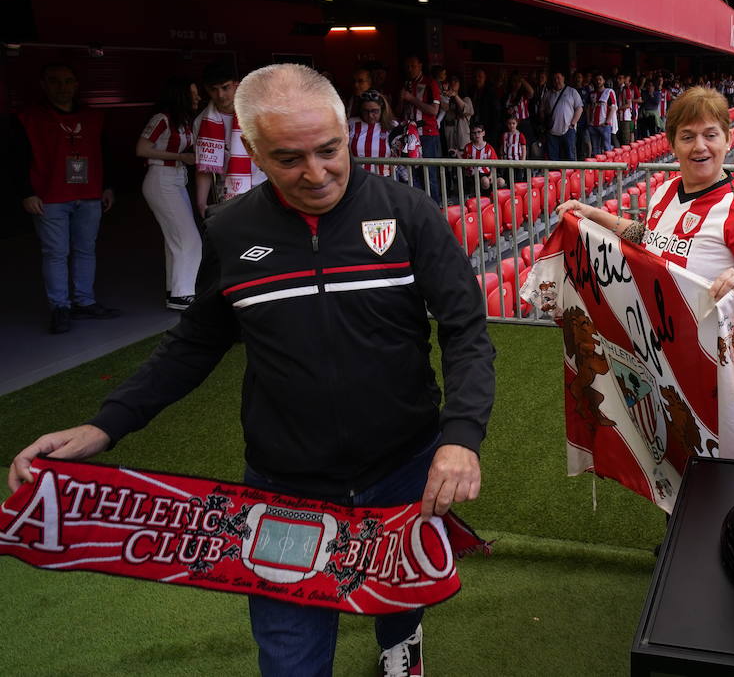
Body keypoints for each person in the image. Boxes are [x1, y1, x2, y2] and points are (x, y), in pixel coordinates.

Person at [8, 63, 496, 676]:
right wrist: (105, 425)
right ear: (253, 151)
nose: (316, 174)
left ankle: (400, 643)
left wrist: (461, 438)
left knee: (398, 592)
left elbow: (466, 332)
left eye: (329, 150)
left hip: (405, 465)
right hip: (284, 485)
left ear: (347, 134)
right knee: (290, 656)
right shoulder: (232, 229)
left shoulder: (409, 212)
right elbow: (195, 342)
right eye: (290, 158)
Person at [556, 86, 734, 415]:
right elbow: (648, 237)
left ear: (728, 140)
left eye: (710, 135)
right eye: (687, 136)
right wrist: (593, 216)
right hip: (668, 359)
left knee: (719, 465)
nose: (699, 146)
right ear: (673, 144)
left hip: (725, 366)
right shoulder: (665, 192)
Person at [13, 63, 120, 334]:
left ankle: (84, 301)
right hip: (50, 197)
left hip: (89, 194)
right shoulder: (29, 118)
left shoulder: (94, 117)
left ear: (76, 84)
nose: (62, 87)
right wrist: (26, 192)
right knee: (56, 253)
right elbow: (15, 160)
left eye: (68, 81)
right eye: (55, 81)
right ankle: (60, 307)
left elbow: (104, 152)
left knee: (86, 249)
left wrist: (107, 186)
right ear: (43, 85)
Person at [136, 76, 202, 310]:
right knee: (189, 238)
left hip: (176, 179)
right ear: (180, 96)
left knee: (175, 239)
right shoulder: (162, 118)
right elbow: (142, 149)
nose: (198, 98)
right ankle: (183, 294)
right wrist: (181, 157)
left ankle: (175, 290)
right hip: (161, 180)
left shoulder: (183, 121)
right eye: (193, 94)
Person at [194, 63, 266, 217]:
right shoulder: (201, 122)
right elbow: (204, 167)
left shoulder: (258, 112)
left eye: (225, 87)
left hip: (264, 186)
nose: (220, 95)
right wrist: (201, 202)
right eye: (213, 89)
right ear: (207, 89)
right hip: (229, 192)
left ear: (236, 85)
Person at [398, 55, 442, 204]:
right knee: (412, 173)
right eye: (407, 66)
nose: (409, 69)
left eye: (413, 65)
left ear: (420, 65)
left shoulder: (431, 83)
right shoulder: (406, 84)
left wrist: (411, 99)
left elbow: (434, 110)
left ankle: (435, 208)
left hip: (427, 134)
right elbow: (400, 110)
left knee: (429, 173)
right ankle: (420, 207)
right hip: (409, 135)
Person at [348, 89, 396, 177]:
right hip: (358, 179)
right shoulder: (351, 124)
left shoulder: (393, 127)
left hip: (384, 179)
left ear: (382, 108)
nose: (370, 115)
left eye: (374, 111)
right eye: (365, 111)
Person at [540, 70, 581, 161]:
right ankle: (555, 175)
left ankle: (571, 175)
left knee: (570, 156)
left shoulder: (572, 91)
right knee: (553, 159)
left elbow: (579, 108)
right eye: (554, 79)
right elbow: (541, 109)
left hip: (568, 129)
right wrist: (545, 122)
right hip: (552, 132)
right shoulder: (548, 94)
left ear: (563, 78)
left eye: (558, 78)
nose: (556, 80)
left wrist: (573, 123)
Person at [461, 123, 500, 195]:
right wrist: (457, 153)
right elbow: (464, 163)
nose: (477, 135)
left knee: (501, 181)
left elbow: (494, 165)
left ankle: (493, 199)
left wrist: (491, 175)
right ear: (471, 134)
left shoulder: (489, 148)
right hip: (473, 174)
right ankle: (485, 199)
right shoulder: (468, 147)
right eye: (474, 133)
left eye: (479, 132)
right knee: (485, 181)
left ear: (483, 133)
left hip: (487, 173)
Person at [588, 74, 617, 156]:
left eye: (600, 79)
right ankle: (597, 168)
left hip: (604, 125)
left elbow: (613, 107)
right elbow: (588, 108)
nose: (598, 81)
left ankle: (609, 167)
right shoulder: (592, 94)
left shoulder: (609, 92)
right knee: (595, 149)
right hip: (593, 125)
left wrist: (607, 122)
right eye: (597, 79)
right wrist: (589, 121)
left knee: (607, 148)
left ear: (604, 81)